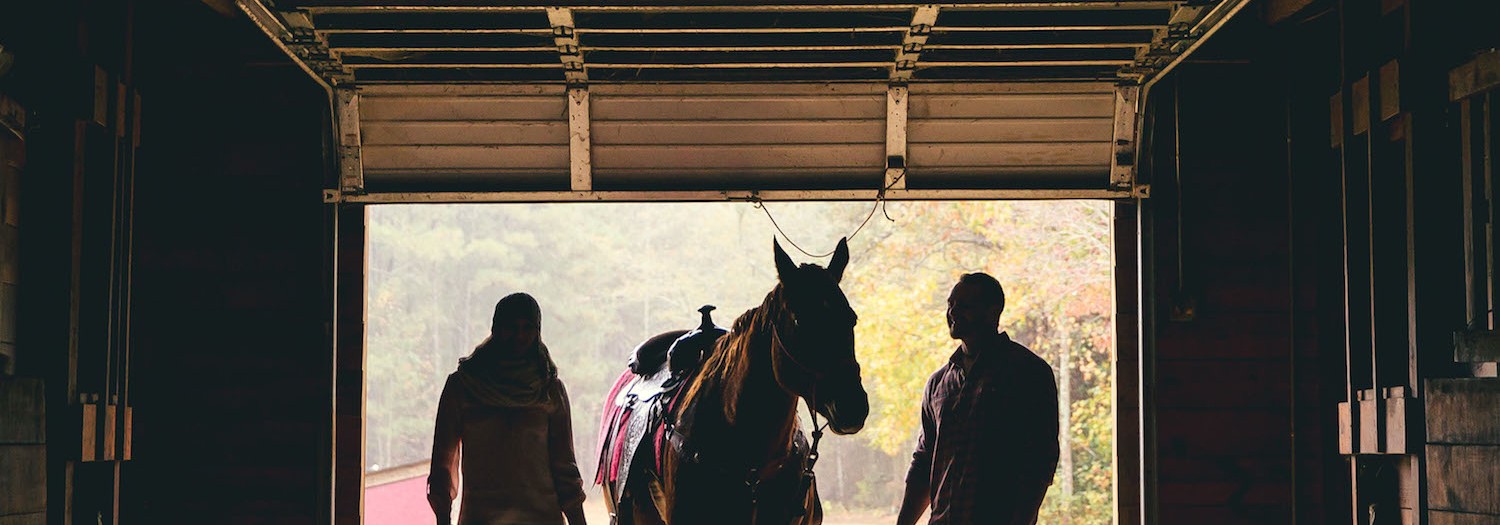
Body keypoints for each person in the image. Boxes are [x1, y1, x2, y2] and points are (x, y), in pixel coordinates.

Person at [896, 273, 1059, 525]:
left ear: (993, 311)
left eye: (964, 306)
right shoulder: (938, 383)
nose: (953, 312)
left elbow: (1040, 460)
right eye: (951, 304)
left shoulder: (1027, 372)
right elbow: (925, 460)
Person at [428, 292, 587, 525]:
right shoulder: (463, 386)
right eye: (511, 327)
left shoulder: (548, 388)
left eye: (527, 327)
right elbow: (442, 463)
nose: (519, 336)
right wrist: (443, 518)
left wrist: (578, 520)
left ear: (537, 332)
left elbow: (564, 466)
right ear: (495, 328)